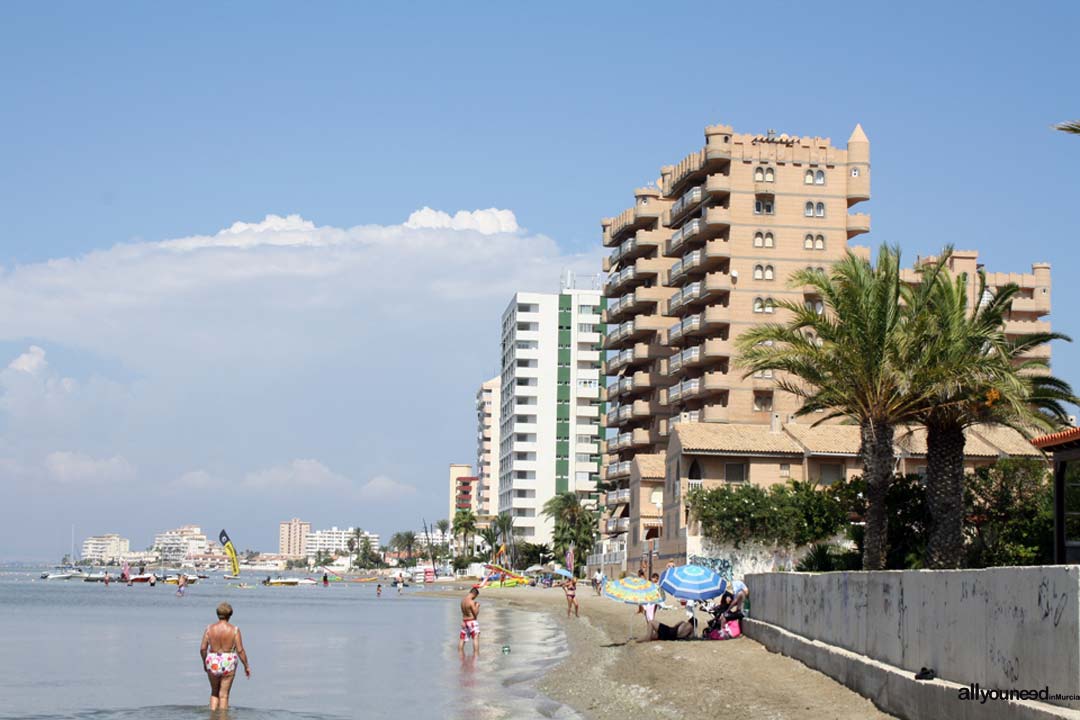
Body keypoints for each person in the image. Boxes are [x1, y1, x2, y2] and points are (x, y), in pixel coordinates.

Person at [200, 602, 251, 711]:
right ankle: (223, 717)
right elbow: (240, 650)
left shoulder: (209, 629)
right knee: (224, 695)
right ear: (230, 615)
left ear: (217, 614)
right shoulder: (234, 630)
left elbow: (203, 648)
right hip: (228, 660)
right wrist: (246, 665)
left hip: (212, 660)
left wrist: (205, 662)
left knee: (214, 692)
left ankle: (213, 716)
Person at [459, 588, 481, 655]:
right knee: (475, 638)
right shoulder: (471, 602)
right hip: (472, 622)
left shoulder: (462, 601)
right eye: (476, 596)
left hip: (464, 622)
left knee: (462, 639)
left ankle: (460, 656)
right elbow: (475, 614)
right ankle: (476, 655)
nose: (475, 598)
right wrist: (477, 606)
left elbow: (463, 613)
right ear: (474, 594)